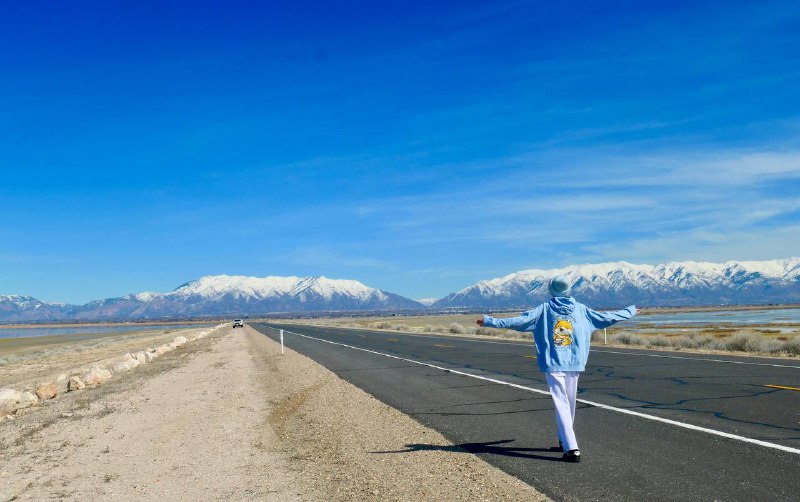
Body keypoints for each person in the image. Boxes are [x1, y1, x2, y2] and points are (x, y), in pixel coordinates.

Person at [477, 275, 638, 463]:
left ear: (551, 290)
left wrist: (489, 321)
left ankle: (572, 448)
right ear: (569, 290)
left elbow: (518, 321)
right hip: (575, 362)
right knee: (568, 403)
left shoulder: (544, 310)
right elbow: (606, 318)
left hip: (553, 363)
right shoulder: (581, 310)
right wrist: (630, 311)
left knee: (562, 403)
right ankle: (564, 440)